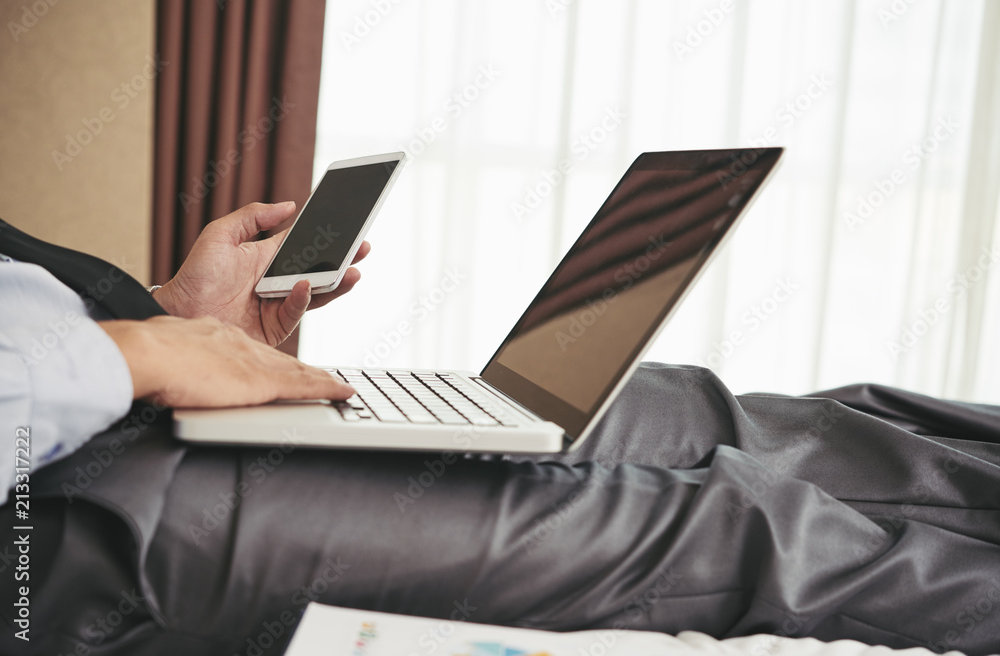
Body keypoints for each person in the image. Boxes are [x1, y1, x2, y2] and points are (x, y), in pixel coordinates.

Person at [1, 203, 998, 656]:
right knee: (719, 524)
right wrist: (133, 353)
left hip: (107, 387)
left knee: (688, 409)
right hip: (55, 508)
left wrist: (171, 312)